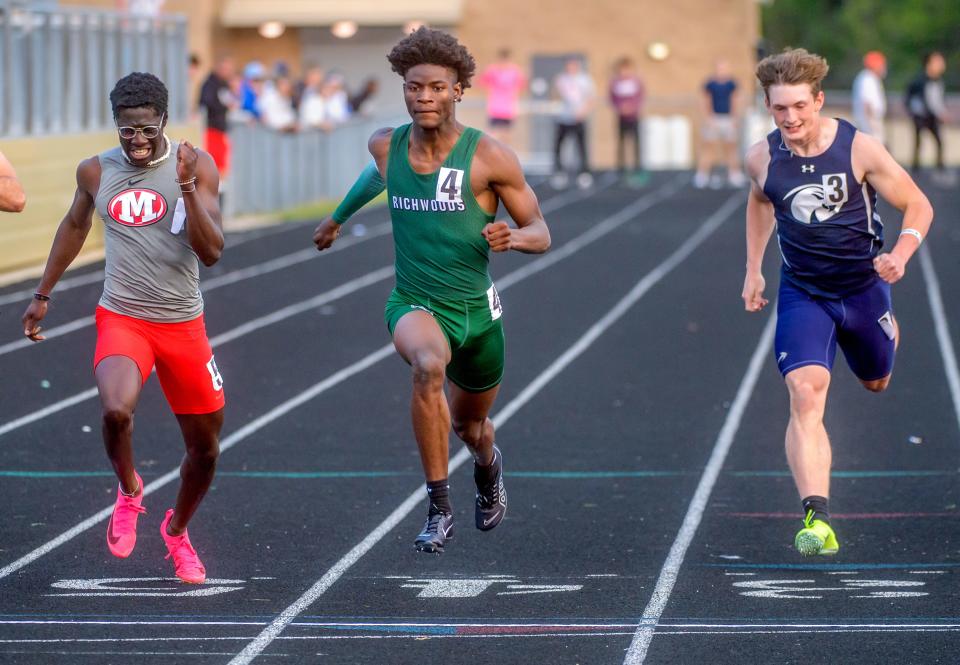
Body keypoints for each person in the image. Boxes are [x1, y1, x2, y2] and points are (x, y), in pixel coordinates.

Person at [312, 27, 551, 554]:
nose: (425, 97)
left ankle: (488, 466)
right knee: (427, 366)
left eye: (437, 88)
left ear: (459, 90)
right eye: (415, 87)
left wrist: (514, 237)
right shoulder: (386, 143)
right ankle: (438, 506)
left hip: (478, 316)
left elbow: (542, 231)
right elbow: (377, 174)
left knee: (473, 428)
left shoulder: (489, 157)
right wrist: (336, 219)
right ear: (403, 88)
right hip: (416, 304)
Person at [21, 72, 226, 583]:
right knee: (115, 410)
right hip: (123, 315)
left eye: (145, 129)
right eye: (125, 130)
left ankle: (176, 532)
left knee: (204, 450)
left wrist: (184, 184)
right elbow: (74, 225)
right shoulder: (95, 171)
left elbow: (213, 251)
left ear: (163, 119)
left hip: (182, 322)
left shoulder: (195, 164)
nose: (136, 140)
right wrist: (42, 294)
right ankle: (131, 492)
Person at [741, 49, 933, 557]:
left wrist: (902, 252)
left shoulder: (858, 148)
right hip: (804, 291)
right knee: (806, 390)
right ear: (768, 105)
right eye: (780, 108)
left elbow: (918, 203)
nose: (791, 118)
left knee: (876, 381)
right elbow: (761, 201)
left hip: (864, 287)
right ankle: (816, 517)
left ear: (819, 100)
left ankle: (884, 332)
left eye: (800, 106)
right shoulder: (760, 157)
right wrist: (753, 268)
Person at [695, 59, 746, 188]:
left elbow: (735, 100)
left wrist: (735, 118)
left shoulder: (732, 83)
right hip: (714, 118)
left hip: (728, 118)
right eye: (719, 68)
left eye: (724, 68)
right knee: (709, 147)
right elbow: (706, 100)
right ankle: (702, 175)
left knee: (731, 147)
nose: (721, 71)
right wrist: (708, 118)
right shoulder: (710, 83)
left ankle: (734, 174)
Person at [552, 57, 595, 189]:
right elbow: (554, 95)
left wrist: (583, 112)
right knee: (559, 145)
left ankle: (584, 173)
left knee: (581, 146)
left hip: (579, 118)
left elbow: (591, 98)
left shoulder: (585, 80)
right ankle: (559, 172)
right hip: (563, 118)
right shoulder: (561, 80)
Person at [906, 51, 948, 174]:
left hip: (932, 116)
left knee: (939, 140)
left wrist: (941, 112)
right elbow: (911, 98)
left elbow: (937, 100)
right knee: (918, 141)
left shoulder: (938, 81)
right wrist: (914, 110)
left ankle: (939, 166)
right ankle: (916, 167)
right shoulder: (919, 81)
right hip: (921, 116)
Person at [198, 55, 237, 182]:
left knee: (222, 165)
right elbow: (206, 103)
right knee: (213, 163)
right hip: (211, 128)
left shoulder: (224, 84)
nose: (227, 72)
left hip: (221, 129)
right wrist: (224, 107)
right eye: (225, 69)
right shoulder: (209, 84)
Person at [477, 48, 527, 146]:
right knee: (492, 135)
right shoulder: (492, 70)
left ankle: (504, 158)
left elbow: (522, 85)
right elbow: (481, 83)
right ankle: (493, 156)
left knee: (506, 136)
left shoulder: (515, 71)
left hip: (508, 109)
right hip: (495, 108)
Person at [608, 56, 646, 181]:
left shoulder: (636, 82)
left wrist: (632, 107)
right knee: (621, 142)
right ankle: (621, 168)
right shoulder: (615, 83)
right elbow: (612, 98)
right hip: (621, 116)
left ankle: (637, 167)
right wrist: (620, 108)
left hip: (633, 116)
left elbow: (640, 98)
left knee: (636, 142)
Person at [851, 51, 887, 144]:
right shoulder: (867, 79)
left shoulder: (869, 77)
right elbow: (867, 103)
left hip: (869, 121)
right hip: (869, 122)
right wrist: (872, 124)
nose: (883, 67)